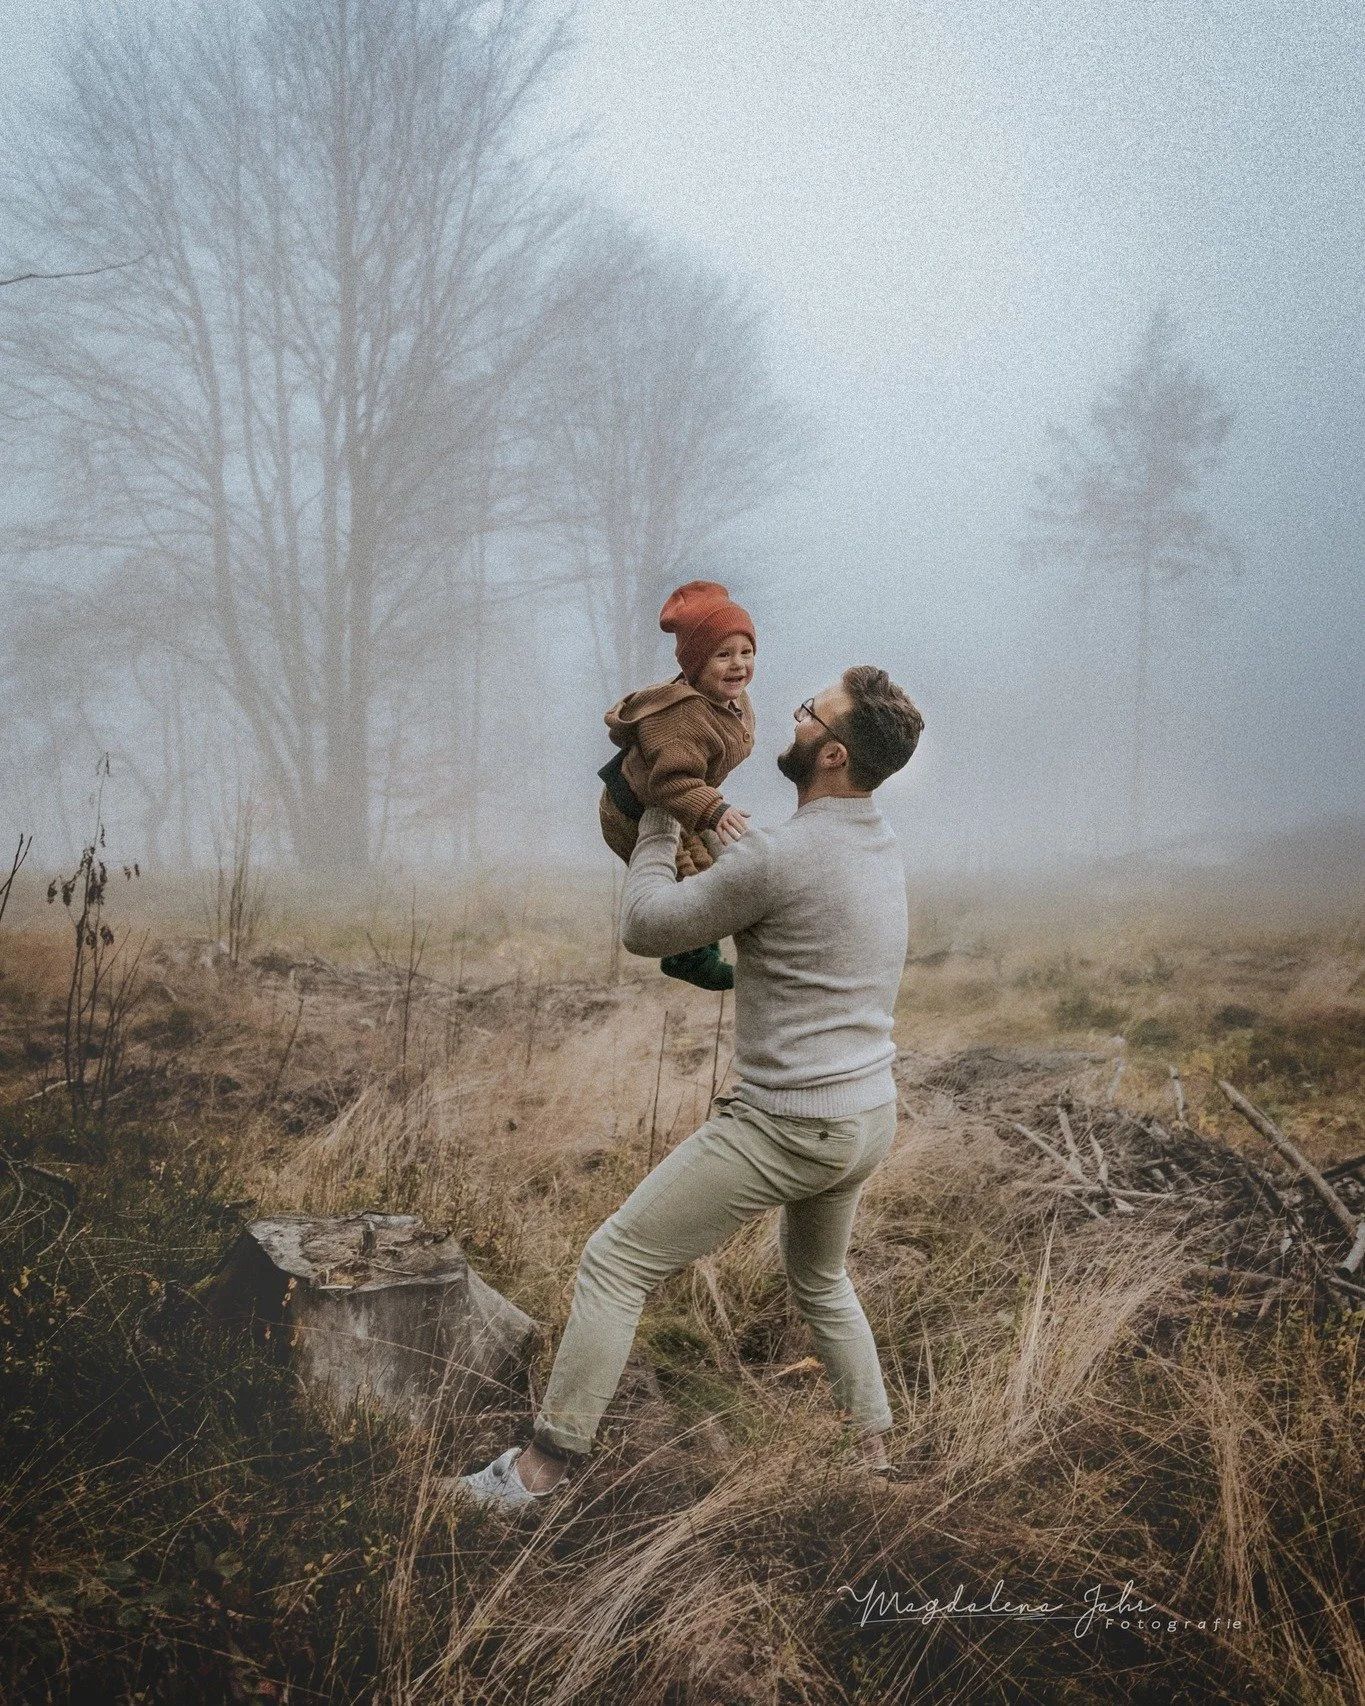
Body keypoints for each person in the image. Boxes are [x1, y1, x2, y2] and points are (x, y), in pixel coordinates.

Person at [458, 665, 925, 1511]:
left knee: (614, 1262)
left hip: (788, 1127)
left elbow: (645, 928)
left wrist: (657, 823)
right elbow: (779, 872)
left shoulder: (783, 856)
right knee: (820, 1279)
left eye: (807, 713)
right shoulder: (874, 840)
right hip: (866, 1119)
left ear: (830, 752)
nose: (790, 719)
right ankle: (875, 1459)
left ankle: (538, 1475)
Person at [597, 580, 757, 991]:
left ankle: (707, 947)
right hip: (634, 807)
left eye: (746, 652)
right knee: (687, 877)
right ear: (696, 665)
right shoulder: (682, 717)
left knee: (710, 862)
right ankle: (686, 956)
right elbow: (672, 781)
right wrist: (714, 808)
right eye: (722, 655)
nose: (738, 665)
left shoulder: (731, 699)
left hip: (677, 798)